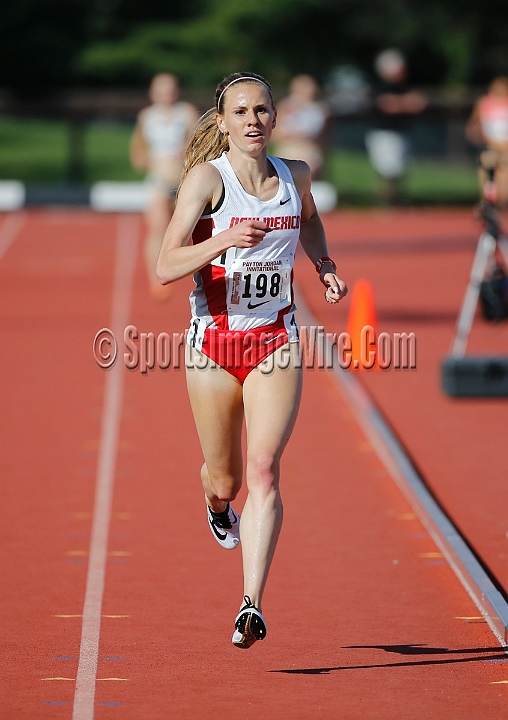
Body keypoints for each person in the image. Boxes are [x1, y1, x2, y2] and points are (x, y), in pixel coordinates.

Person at [156, 71, 347, 648]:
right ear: (222, 122)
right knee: (228, 478)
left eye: (261, 110)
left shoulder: (296, 176)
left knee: (264, 468)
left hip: (275, 341)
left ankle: (250, 604)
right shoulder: (206, 181)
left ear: (274, 116)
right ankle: (216, 503)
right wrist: (223, 239)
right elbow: (165, 266)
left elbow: (309, 223)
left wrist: (324, 265)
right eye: (240, 112)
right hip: (212, 348)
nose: (252, 121)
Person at [130, 73, 199, 300]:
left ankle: (199, 276)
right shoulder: (146, 116)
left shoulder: (186, 112)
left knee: (189, 231)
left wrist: (185, 153)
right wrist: (148, 160)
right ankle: (156, 279)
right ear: (153, 93)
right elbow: (137, 149)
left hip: (183, 183)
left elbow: (201, 142)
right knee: (158, 229)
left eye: (170, 89)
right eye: (161, 90)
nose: (166, 94)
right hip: (159, 182)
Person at [365, 49, 427, 204]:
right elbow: (387, 104)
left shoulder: (403, 86)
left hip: (401, 132)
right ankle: (384, 202)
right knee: (386, 171)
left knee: (399, 172)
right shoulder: (380, 86)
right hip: (384, 134)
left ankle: (396, 201)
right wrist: (407, 103)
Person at [271, 74, 330, 179]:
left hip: (310, 153)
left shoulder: (321, 111)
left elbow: (325, 140)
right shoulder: (285, 108)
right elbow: (275, 134)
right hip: (289, 151)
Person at [466, 76, 508, 208]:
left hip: (506, 151)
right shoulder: (484, 103)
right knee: (487, 189)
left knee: (503, 192)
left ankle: (497, 213)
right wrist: (477, 136)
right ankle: (488, 213)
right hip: (490, 148)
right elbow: (473, 126)